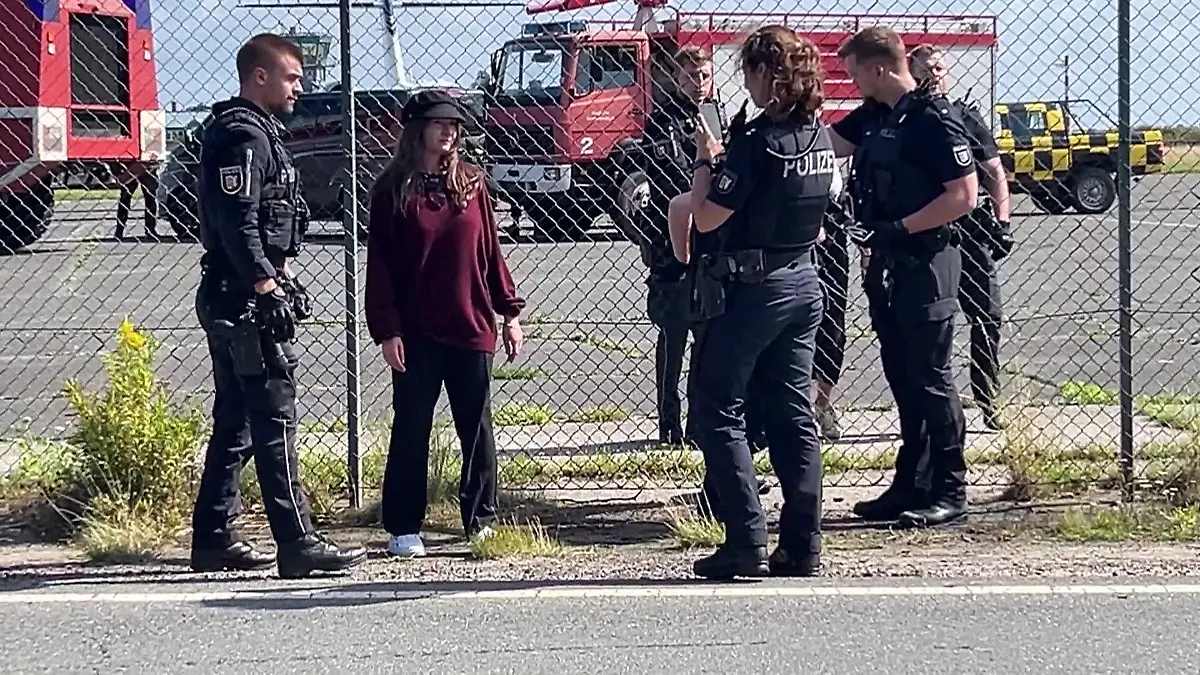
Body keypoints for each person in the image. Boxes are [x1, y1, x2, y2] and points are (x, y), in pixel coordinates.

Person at [189, 33, 367, 578]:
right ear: (259, 76)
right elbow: (237, 223)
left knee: (237, 420)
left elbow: (264, 223)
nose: (300, 88)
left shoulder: (259, 135)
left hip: (236, 291)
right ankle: (298, 542)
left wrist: (279, 274)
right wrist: (266, 286)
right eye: (292, 77)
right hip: (242, 299)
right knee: (274, 417)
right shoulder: (243, 136)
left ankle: (213, 536)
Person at [669, 25, 834, 579]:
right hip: (804, 284)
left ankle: (746, 539)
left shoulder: (758, 142)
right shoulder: (816, 136)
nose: (746, 82)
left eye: (749, 72)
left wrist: (705, 160)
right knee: (792, 412)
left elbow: (708, 213)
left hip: (754, 289)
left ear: (767, 74)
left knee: (717, 408)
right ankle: (803, 543)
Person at [364, 89, 526, 559]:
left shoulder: (474, 185)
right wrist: (387, 329)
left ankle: (482, 520)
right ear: (417, 129)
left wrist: (508, 311)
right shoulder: (392, 190)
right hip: (415, 331)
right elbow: (382, 268)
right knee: (411, 425)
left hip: (470, 324)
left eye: (455, 125)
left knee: (475, 426)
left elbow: (490, 253)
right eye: (439, 124)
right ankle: (403, 525)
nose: (449, 132)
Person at [829, 27, 978, 528]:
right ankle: (910, 482)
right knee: (903, 378)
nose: (851, 84)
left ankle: (949, 487)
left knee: (931, 379)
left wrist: (898, 228)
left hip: (925, 263)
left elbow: (963, 195)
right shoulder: (877, 116)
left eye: (854, 74)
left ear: (878, 68)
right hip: (888, 266)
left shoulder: (932, 120)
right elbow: (825, 144)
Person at [909, 44, 1015, 431]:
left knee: (988, 316)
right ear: (912, 72)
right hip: (926, 236)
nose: (935, 73)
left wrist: (1002, 222)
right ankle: (934, 406)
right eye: (927, 68)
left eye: (939, 67)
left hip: (970, 233)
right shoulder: (906, 120)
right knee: (934, 323)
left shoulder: (965, 117)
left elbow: (995, 173)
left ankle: (988, 398)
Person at [620, 45, 721, 447]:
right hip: (671, 240)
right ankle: (668, 419)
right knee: (674, 331)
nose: (698, 83)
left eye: (705, 76)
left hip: (710, 238)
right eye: (691, 77)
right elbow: (669, 173)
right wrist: (706, 162)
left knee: (708, 333)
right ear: (677, 79)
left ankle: (699, 419)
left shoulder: (718, 114)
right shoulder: (664, 120)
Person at [813, 160, 851, 441]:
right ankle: (799, 408)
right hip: (793, 242)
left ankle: (823, 404)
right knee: (796, 329)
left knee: (833, 327)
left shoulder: (825, 142)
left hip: (833, 242)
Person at [113, 161, 160, 239]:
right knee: (126, 199)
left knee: (150, 198)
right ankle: (119, 230)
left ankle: (150, 229)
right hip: (132, 165)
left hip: (144, 164)